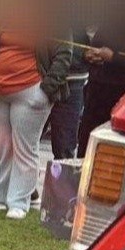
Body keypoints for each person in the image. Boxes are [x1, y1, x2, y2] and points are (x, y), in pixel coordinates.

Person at [0, 21, 72, 220]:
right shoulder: (4, 14)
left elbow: (64, 54)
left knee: (25, 148)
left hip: (30, 89)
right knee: (3, 147)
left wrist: (46, 90)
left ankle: (19, 202)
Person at [77, 17, 125, 155]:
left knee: (115, 147)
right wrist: (89, 54)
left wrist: (114, 57)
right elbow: (97, 42)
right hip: (98, 88)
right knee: (87, 144)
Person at [49, 25, 90, 160]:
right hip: (40, 74)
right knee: (22, 145)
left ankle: (62, 180)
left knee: (64, 149)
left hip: (73, 79)